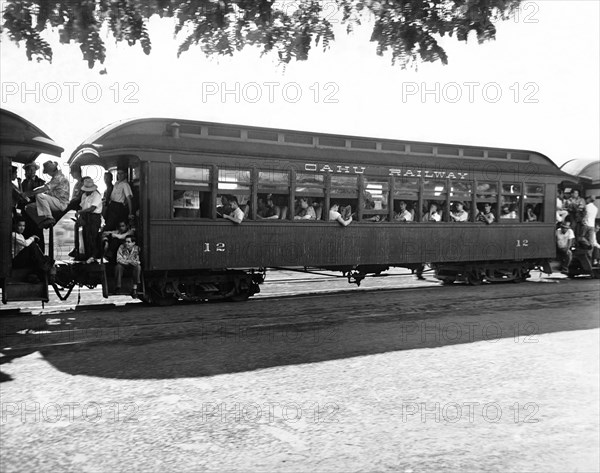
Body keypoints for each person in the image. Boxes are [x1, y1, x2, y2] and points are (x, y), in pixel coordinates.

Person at [23, 160, 70, 229]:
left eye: (47, 172)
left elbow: (44, 188)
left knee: (39, 195)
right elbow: (48, 191)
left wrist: (29, 193)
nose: (47, 174)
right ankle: (42, 222)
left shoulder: (58, 178)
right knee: (28, 207)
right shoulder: (55, 178)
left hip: (60, 203)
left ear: (50, 171)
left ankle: (49, 218)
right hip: (54, 201)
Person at [76, 177, 103, 263]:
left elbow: (92, 208)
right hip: (85, 217)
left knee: (93, 236)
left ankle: (94, 256)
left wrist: (80, 211)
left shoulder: (97, 195)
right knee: (86, 236)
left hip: (94, 217)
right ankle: (88, 255)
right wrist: (80, 216)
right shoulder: (84, 195)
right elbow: (82, 206)